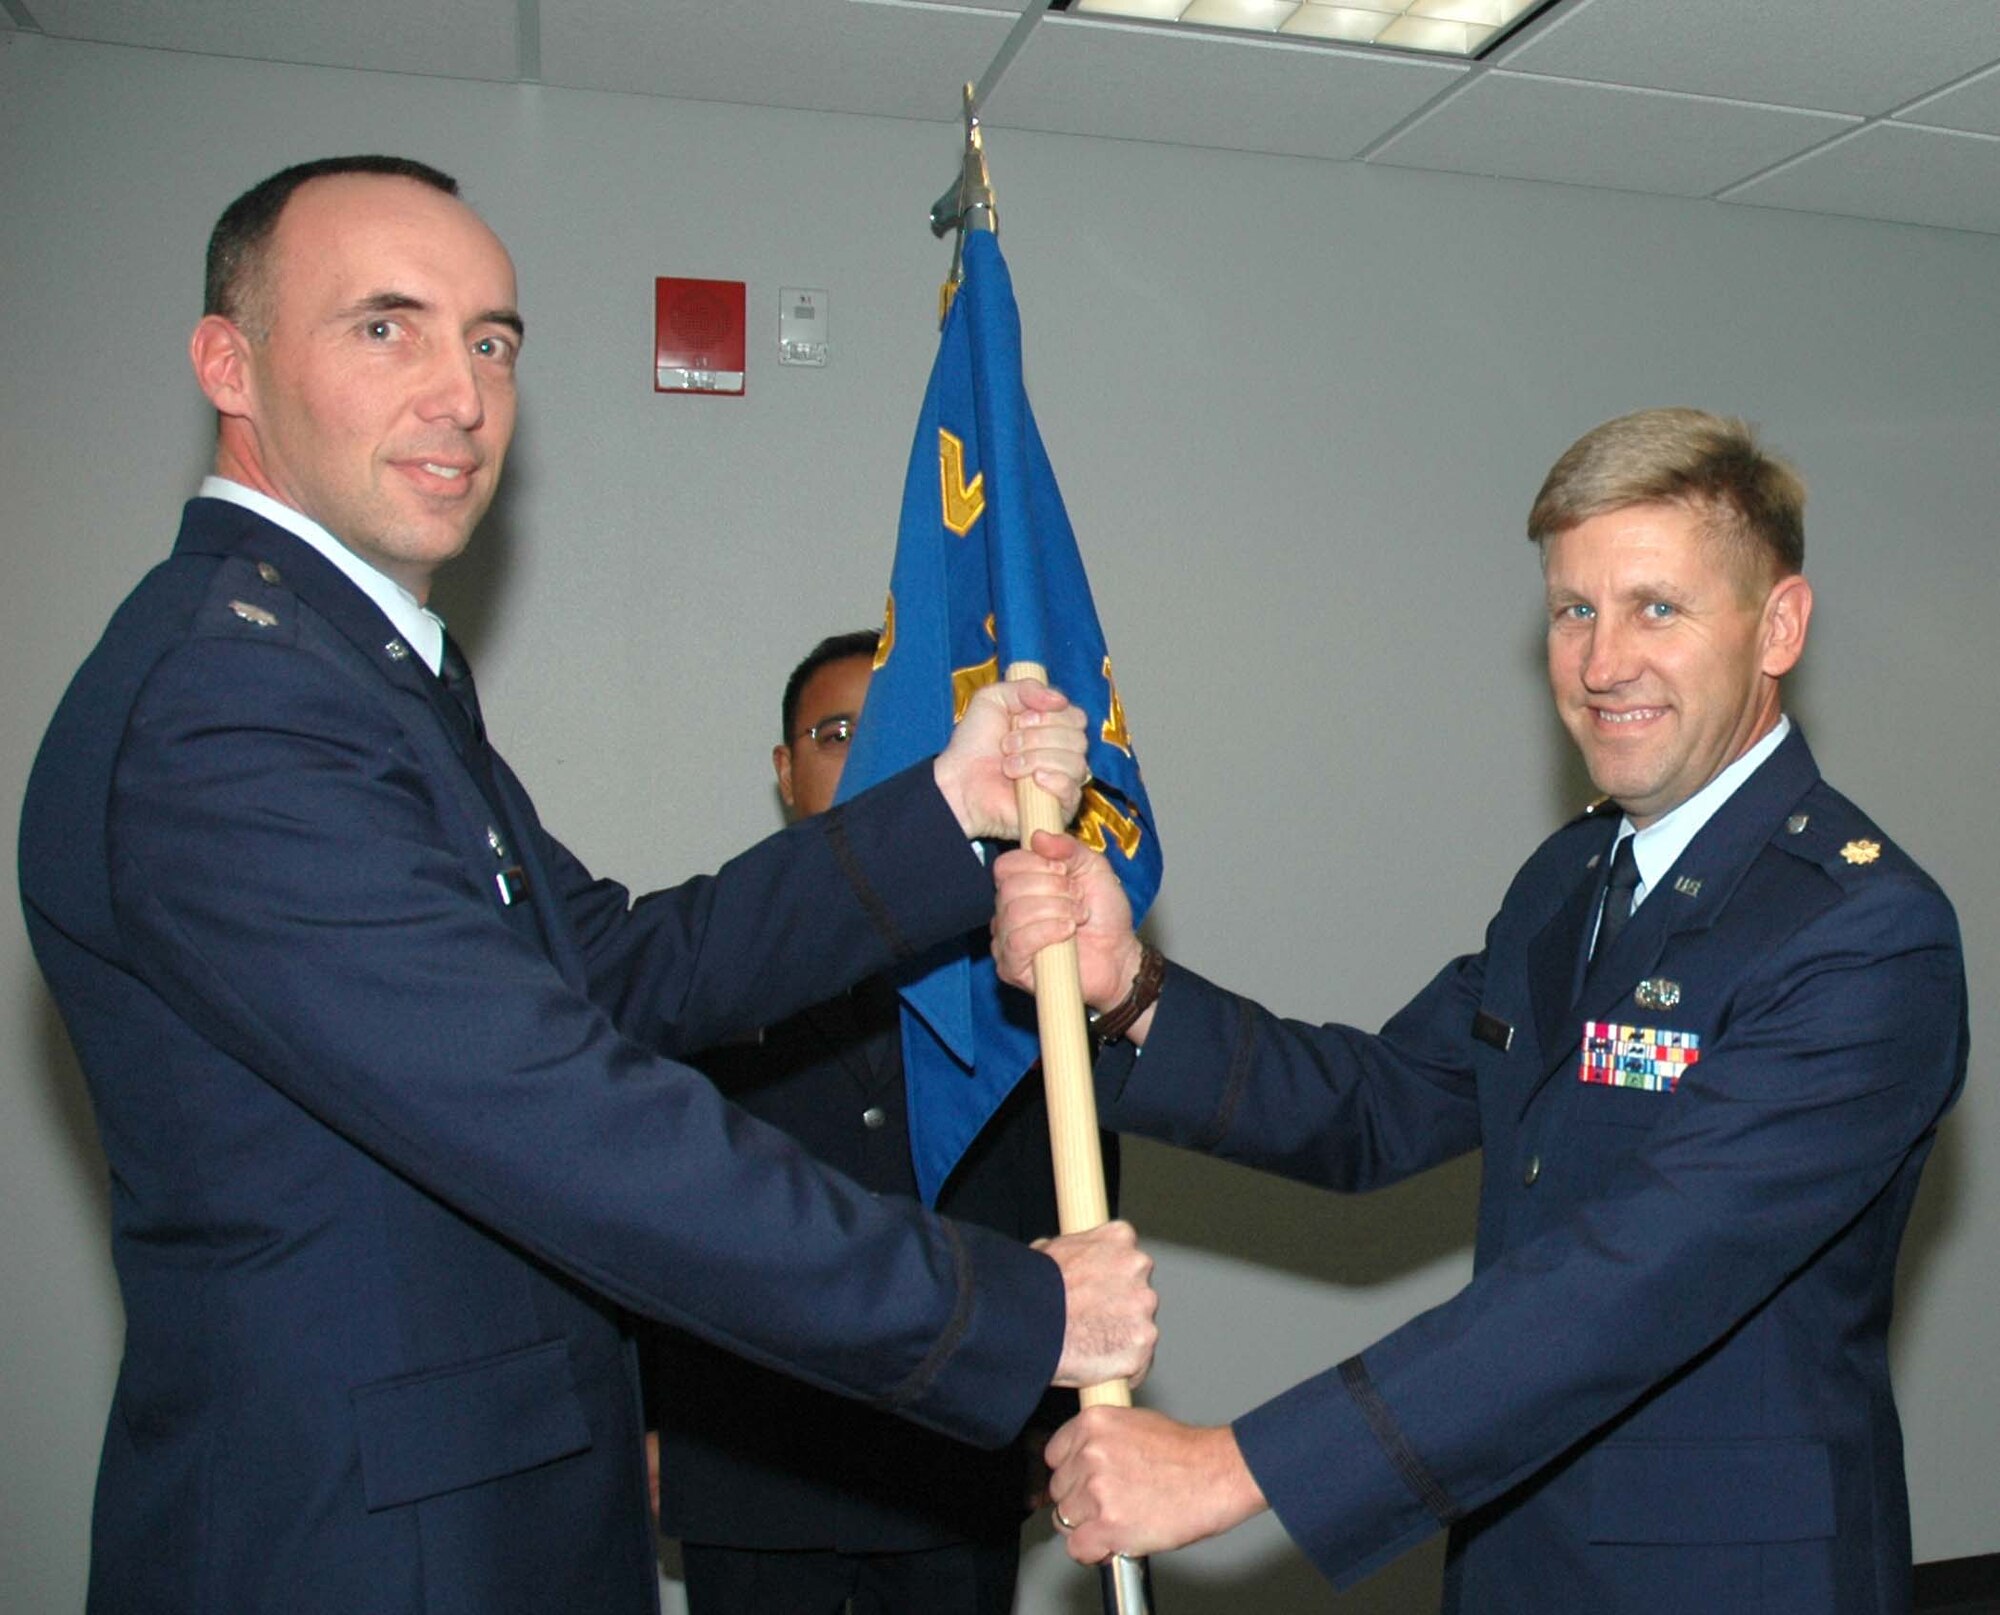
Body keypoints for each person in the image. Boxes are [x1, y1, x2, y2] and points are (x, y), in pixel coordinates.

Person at [17, 155, 1158, 1615]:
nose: (461, 393)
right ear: (227, 362)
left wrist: (946, 808)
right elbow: (558, 1111)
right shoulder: (227, 706)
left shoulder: (349, 670)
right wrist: (1006, 1301)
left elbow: (618, 965)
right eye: (387, 327)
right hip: (368, 1549)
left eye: (490, 339)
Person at [993, 408, 1967, 1614]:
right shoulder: (1570, 881)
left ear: (1777, 626)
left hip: (1725, 1577)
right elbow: (1375, 1106)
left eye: (1655, 607)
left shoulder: (1862, 933)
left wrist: (1235, 1468)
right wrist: (1126, 987)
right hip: (1514, 1551)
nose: (1602, 661)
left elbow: (1630, 1278)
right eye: (1573, 610)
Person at [648, 628, 1097, 1614]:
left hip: (947, 1454)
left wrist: (1046, 1407)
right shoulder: (707, 960)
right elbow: (637, 1195)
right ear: (783, 766)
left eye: (883, 729)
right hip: (747, 1461)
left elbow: (1062, 1191)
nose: (856, 755)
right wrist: (645, 1418)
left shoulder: (1015, 959)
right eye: (831, 730)